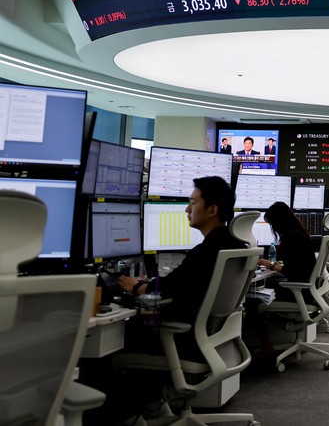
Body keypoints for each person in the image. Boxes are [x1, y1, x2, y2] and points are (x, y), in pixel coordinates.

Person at [86, 176, 246, 424]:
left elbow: (168, 291)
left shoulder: (205, 252)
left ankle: (129, 415)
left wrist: (137, 287)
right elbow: (181, 288)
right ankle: (152, 407)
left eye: (192, 202)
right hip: (214, 341)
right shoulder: (235, 246)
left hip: (186, 341)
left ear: (212, 209)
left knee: (109, 346)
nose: (187, 209)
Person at [248, 202, 316, 358]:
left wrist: (271, 265)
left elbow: (291, 270)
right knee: (269, 285)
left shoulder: (292, 237)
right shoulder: (298, 233)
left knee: (252, 300)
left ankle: (267, 348)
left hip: (298, 292)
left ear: (278, 222)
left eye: (272, 223)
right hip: (306, 289)